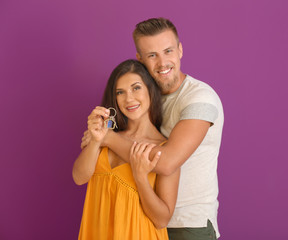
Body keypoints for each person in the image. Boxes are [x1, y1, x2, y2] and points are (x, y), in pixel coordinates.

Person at [82, 18, 224, 240]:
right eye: (152, 55)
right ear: (140, 60)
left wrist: (107, 139)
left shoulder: (200, 99)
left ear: (180, 50)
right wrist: (95, 141)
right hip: (141, 221)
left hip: (187, 225)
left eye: (168, 51)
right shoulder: (144, 98)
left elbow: (166, 163)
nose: (162, 62)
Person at [73, 59, 180, 239]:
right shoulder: (106, 136)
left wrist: (140, 178)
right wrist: (96, 141)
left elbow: (162, 220)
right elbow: (79, 177)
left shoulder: (162, 149)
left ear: (150, 91)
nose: (129, 98)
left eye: (136, 88)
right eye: (120, 92)